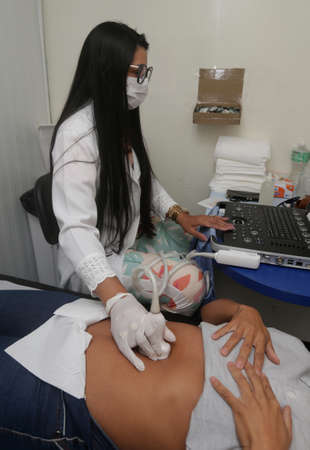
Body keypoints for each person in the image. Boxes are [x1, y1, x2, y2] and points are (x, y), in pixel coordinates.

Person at [50, 21, 277, 371]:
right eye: (137, 72)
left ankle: (192, 305)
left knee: (198, 242)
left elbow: (147, 181)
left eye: (145, 71)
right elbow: (76, 231)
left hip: (125, 239)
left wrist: (180, 215)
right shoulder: (76, 137)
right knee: (192, 284)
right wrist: (119, 302)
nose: (144, 81)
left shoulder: (118, 120)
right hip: (98, 261)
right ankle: (191, 319)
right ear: (108, 71)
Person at [2, 290, 306, 450]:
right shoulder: (301, 354)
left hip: (63, 397)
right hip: (84, 318)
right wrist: (243, 311)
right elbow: (208, 315)